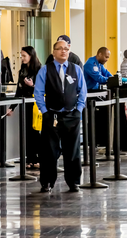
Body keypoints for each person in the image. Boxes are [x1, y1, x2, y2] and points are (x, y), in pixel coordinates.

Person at [34, 40, 87, 193]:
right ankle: (47, 182)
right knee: (49, 151)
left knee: (73, 150)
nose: (63, 51)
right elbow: (38, 93)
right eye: (60, 49)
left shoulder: (76, 69)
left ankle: (74, 182)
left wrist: (79, 110)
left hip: (72, 115)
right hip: (52, 115)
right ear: (54, 52)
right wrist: (45, 111)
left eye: (66, 49)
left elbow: (82, 91)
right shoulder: (45, 70)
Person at [6, 46, 42, 170]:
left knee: (34, 132)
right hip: (24, 103)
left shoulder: (39, 69)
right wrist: (12, 107)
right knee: (26, 132)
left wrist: (33, 85)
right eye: (21, 55)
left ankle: (37, 158)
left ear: (31, 56)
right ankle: (29, 158)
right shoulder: (22, 69)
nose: (22, 58)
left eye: (24, 56)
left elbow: (43, 88)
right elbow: (19, 89)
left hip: (35, 104)